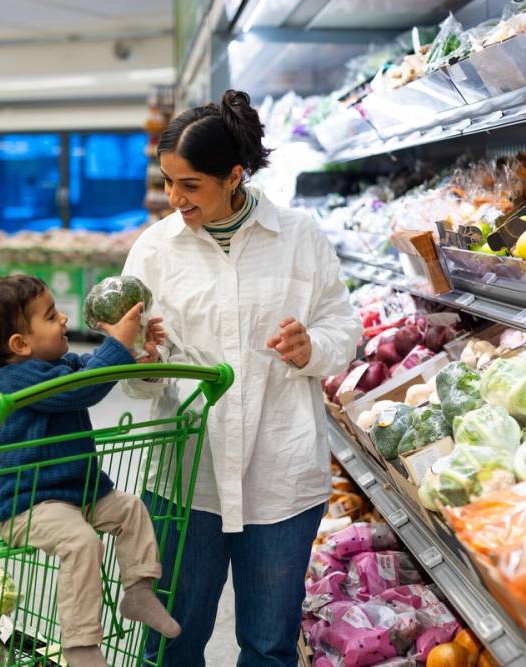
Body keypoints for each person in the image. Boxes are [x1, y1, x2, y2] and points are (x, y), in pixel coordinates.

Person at [122, 89, 362, 666]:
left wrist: (311, 347)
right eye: (168, 181)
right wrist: (142, 361)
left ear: (234, 176)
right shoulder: (155, 250)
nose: (174, 198)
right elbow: (131, 368)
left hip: (277, 475)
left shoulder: (299, 237)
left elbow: (343, 331)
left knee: (269, 644)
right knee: (171, 641)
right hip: (186, 475)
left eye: (190, 185)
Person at [0, 274, 180, 667]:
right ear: (20, 344)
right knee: (82, 543)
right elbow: (81, 387)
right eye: (50, 315)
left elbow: (86, 368)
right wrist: (115, 343)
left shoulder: (53, 364)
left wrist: (134, 356)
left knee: (131, 508)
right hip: (30, 506)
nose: (63, 318)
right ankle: (80, 647)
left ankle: (139, 591)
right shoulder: (18, 380)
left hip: (77, 495)